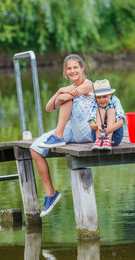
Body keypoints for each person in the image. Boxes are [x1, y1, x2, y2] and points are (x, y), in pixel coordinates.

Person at [30, 54, 95, 217]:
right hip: (74, 129)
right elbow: (48, 108)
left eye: (75, 67)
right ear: (65, 72)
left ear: (82, 68)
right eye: (69, 68)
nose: (72, 71)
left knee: (66, 99)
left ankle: (58, 135)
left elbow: (64, 99)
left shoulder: (89, 85)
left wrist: (62, 94)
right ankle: (51, 194)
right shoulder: (67, 88)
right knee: (35, 148)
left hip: (89, 130)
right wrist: (60, 90)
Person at [88, 79, 125, 150]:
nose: (101, 100)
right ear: (95, 97)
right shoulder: (94, 103)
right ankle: (98, 140)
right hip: (96, 136)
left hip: (114, 136)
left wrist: (109, 129)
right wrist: (96, 126)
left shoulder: (115, 100)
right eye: (98, 97)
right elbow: (91, 123)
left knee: (111, 110)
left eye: (104, 96)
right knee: (101, 110)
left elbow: (121, 121)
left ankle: (108, 140)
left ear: (110, 95)